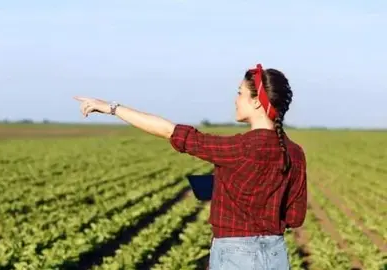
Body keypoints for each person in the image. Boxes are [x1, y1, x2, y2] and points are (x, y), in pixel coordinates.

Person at [73, 63, 307, 270]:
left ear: (257, 102)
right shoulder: (295, 153)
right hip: (275, 253)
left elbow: (169, 131)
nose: (235, 99)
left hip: (236, 254)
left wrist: (111, 108)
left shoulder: (239, 148)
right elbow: (295, 218)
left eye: (240, 93)